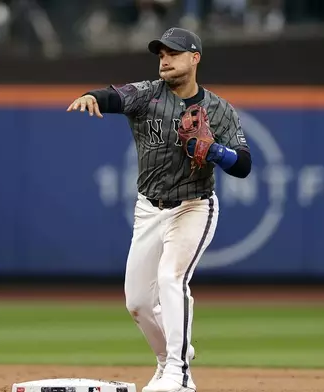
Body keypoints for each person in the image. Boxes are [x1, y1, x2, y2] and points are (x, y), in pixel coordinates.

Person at [66, 28, 251, 392]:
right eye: (161, 53)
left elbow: (243, 164)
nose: (165, 60)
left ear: (194, 58)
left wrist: (215, 151)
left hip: (194, 206)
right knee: (136, 301)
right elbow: (113, 96)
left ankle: (179, 375)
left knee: (171, 277)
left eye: (174, 53)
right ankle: (171, 355)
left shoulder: (217, 109)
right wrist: (92, 96)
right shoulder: (147, 94)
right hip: (149, 208)